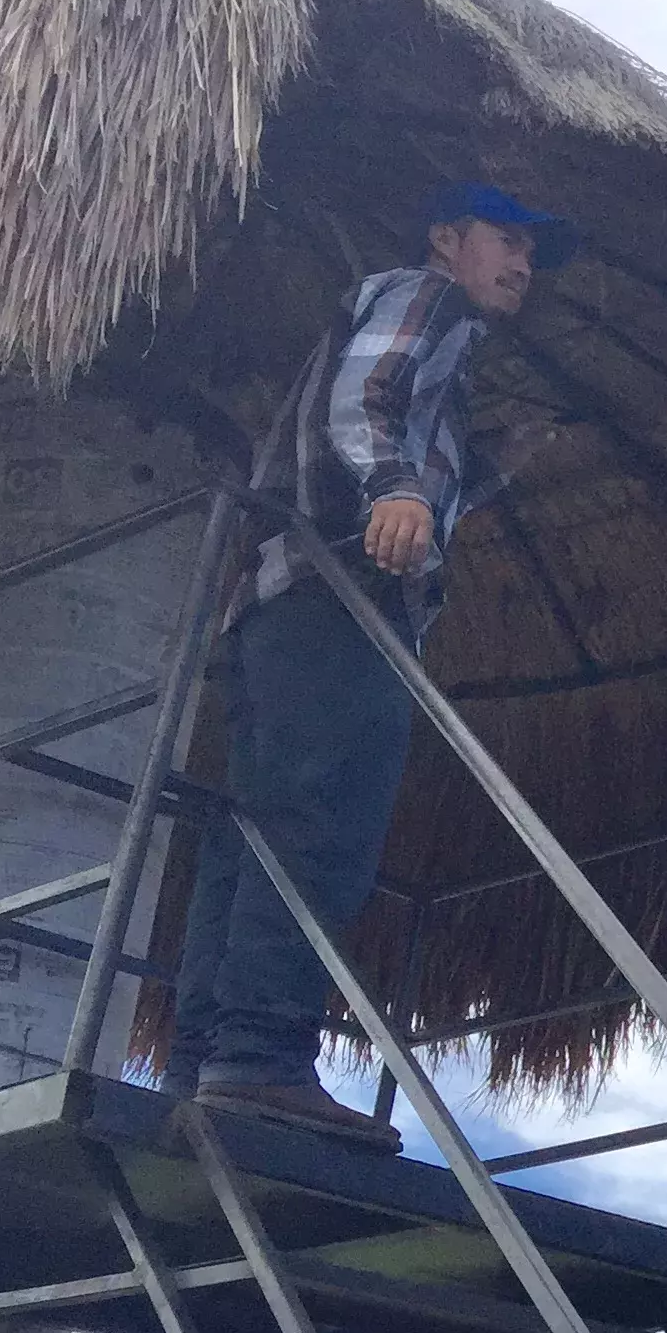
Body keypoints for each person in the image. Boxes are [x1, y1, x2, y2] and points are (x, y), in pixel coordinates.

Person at [163, 182, 575, 1151]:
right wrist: (398, 487)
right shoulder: (421, 299)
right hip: (334, 599)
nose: (521, 265)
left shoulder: (447, 359)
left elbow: (418, 456)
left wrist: (491, 462)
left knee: (254, 828)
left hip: (281, 604)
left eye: (530, 253)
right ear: (447, 238)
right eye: (505, 240)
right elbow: (364, 399)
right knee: (322, 825)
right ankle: (260, 1056)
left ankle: (203, 1054)